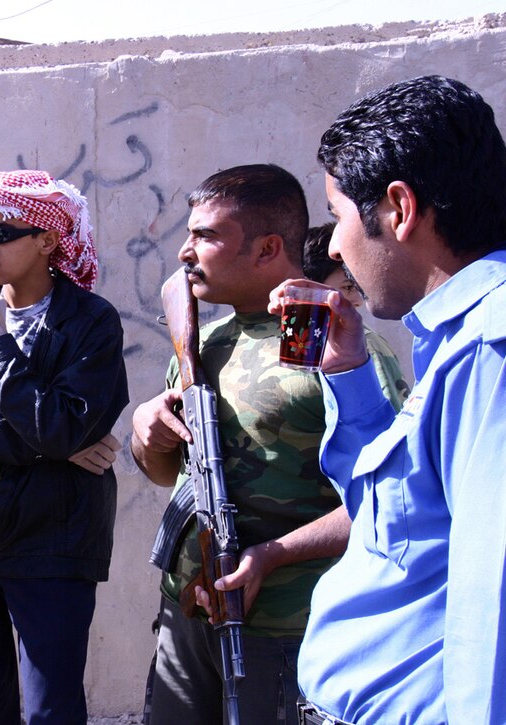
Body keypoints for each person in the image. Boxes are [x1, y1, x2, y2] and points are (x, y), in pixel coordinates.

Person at [130, 164, 408, 724]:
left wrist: (272, 554)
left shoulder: (326, 342)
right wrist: (148, 432)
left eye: (206, 236)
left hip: (283, 630)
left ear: (268, 248)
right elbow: (167, 475)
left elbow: (385, 498)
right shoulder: (203, 342)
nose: (187, 252)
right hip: (190, 615)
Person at [287, 75, 506, 725]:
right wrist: (350, 371)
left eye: (339, 216)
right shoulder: (452, 336)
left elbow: (490, 604)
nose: (332, 246)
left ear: (399, 209)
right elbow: (403, 525)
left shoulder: (489, 349)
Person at [0, 170, 128, 725]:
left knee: (50, 713)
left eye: (3, 232)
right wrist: (50, 444)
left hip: (53, 548)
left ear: (47, 240)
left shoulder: (89, 323)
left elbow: (62, 426)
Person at [303, 222, 409, 409]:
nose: (358, 300)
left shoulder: (364, 344)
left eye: (356, 287)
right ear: (310, 285)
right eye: (348, 287)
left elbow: (389, 419)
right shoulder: (296, 343)